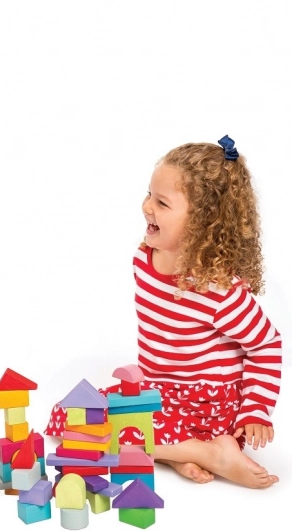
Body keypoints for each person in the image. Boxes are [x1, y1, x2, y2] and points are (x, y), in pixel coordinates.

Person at [45, 135, 282, 489]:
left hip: (207, 410)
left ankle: (213, 453)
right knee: (70, 418)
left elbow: (266, 345)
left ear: (202, 222)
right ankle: (181, 453)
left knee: (106, 434)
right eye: (149, 194)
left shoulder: (219, 291)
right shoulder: (143, 260)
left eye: (162, 202)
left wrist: (256, 409)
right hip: (158, 392)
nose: (146, 206)